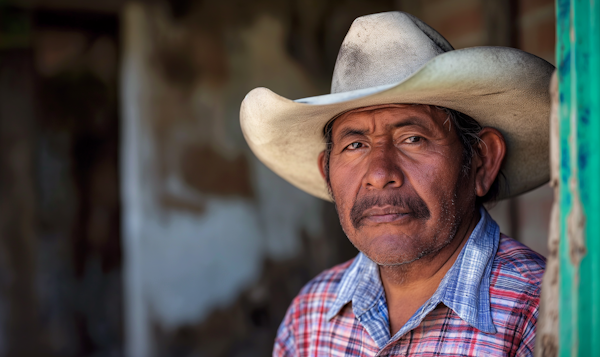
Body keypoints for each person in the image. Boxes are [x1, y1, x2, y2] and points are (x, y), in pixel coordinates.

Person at [240, 11, 553, 356]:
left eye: (413, 138)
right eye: (355, 145)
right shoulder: (310, 316)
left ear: (481, 161)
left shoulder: (544, 311)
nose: (379, 173)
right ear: (327, 173)